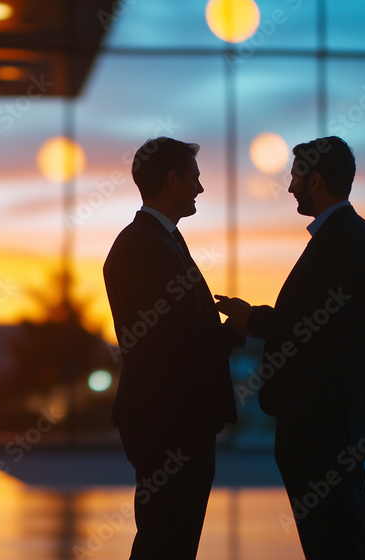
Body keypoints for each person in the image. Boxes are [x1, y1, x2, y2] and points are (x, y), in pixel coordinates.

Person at [216, 136, 365, 559]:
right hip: (338, 418)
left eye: (295, 176)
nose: (290, 187)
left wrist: (251, 318)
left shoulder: (340, 242)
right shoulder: (356, 238)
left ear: (315, 180)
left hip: (323, 424)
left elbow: (315, 330)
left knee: (333, 537)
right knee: (346, 530)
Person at [103, 137, 241, 560]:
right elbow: (173, 343)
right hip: (170, 423)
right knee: (168, 540)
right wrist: (238, 329)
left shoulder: (157, 241)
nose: (200, 189)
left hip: (171, 420)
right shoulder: (146, 247)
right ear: (171, 180)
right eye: (195, 178)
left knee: (167, 537)